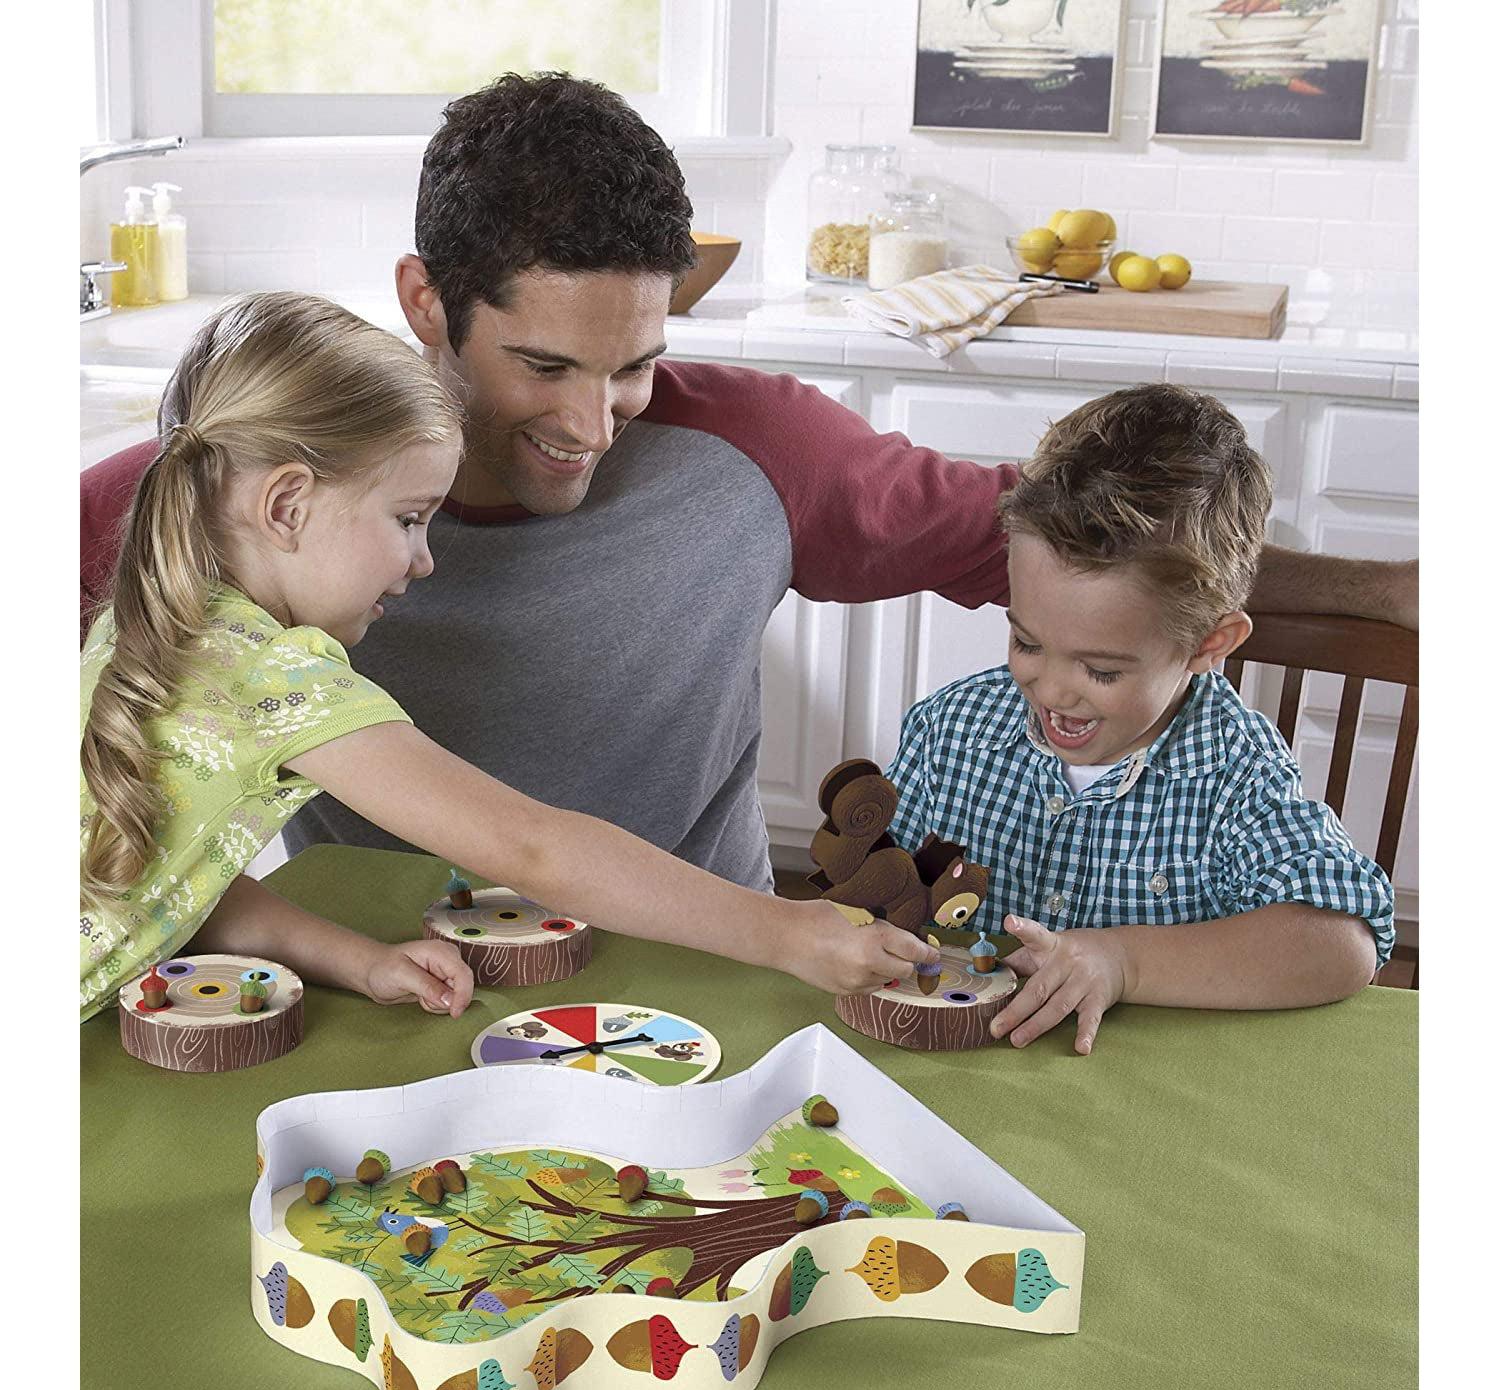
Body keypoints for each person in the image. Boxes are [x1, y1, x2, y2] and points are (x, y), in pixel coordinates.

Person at [79, 73, 1418, 897]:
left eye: (634, 368)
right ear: (428, 302)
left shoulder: (759, 448)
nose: (592, 426)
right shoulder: (260, 478)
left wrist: (1390, 592)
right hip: (388, 977)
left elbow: (1110, 545)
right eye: (544, 366)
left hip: (709, 977)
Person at [79, 292, 930, 1021]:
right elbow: (532, 850)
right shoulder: (278, 679)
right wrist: (785, 931)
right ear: (287, 505)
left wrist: (357, 961)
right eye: (408, 519)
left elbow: (180, 884)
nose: (424, 560)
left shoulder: (149, 617)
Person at [884, 384, 1395, 1056]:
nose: (1051, 690)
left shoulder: (1235, 772)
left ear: (1208, 645)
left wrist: (1125, 961)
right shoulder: (949, 732)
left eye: (1101, 670)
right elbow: (884, 884)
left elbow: (1343, 945)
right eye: (1027, 642)